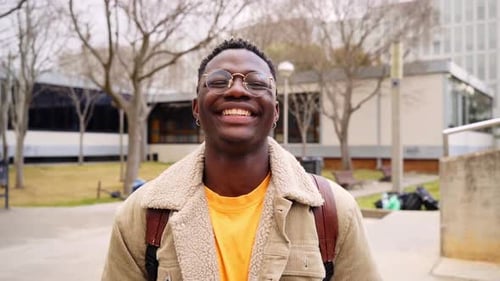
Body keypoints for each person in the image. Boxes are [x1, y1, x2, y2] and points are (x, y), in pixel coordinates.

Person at [101, 38, 381, 281]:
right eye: (219, 81)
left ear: (275, 113)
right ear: (196, 108)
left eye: (257, 82)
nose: (236, 90)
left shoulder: (333, 212)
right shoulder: (141, 215)